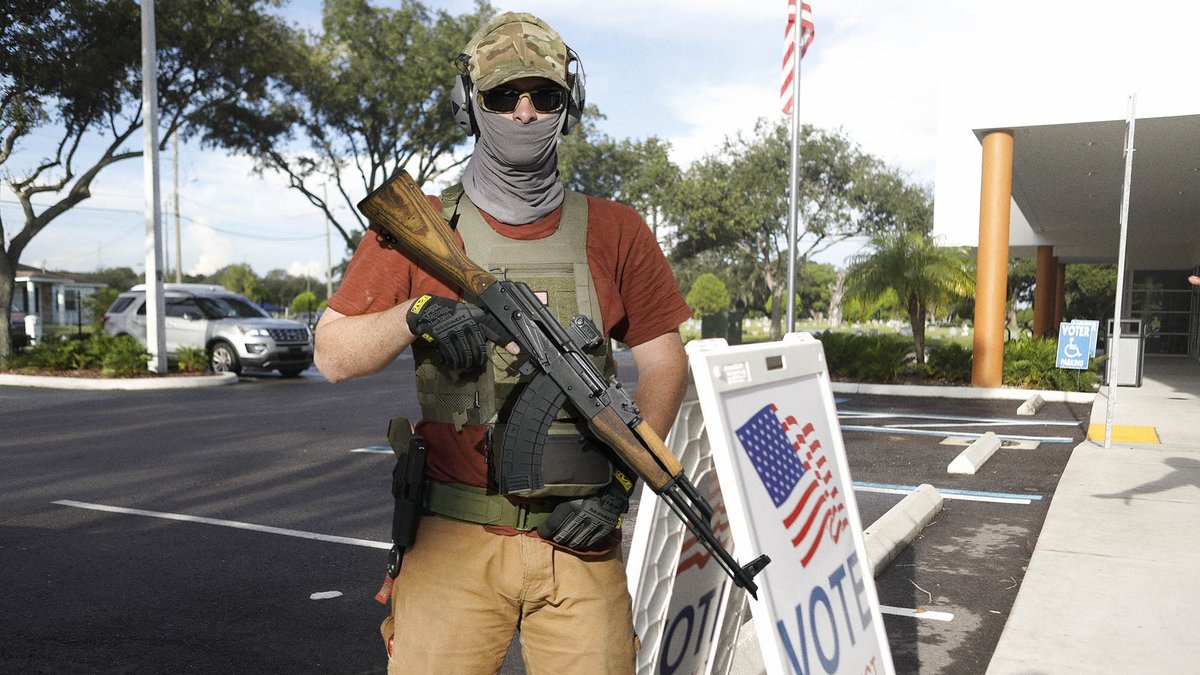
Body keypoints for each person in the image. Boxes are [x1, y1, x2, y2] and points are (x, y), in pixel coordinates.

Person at [314, 12, 691, 674]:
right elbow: (332, 355)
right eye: (502, 95)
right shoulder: (421, 227)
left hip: (580, 540)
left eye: (544, 95)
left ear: (568, 105)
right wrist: (415, 313)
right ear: (470, 104)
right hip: (451, 541)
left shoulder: (617, 229)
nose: (524, 112)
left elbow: (665, 363)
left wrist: (622, 481)